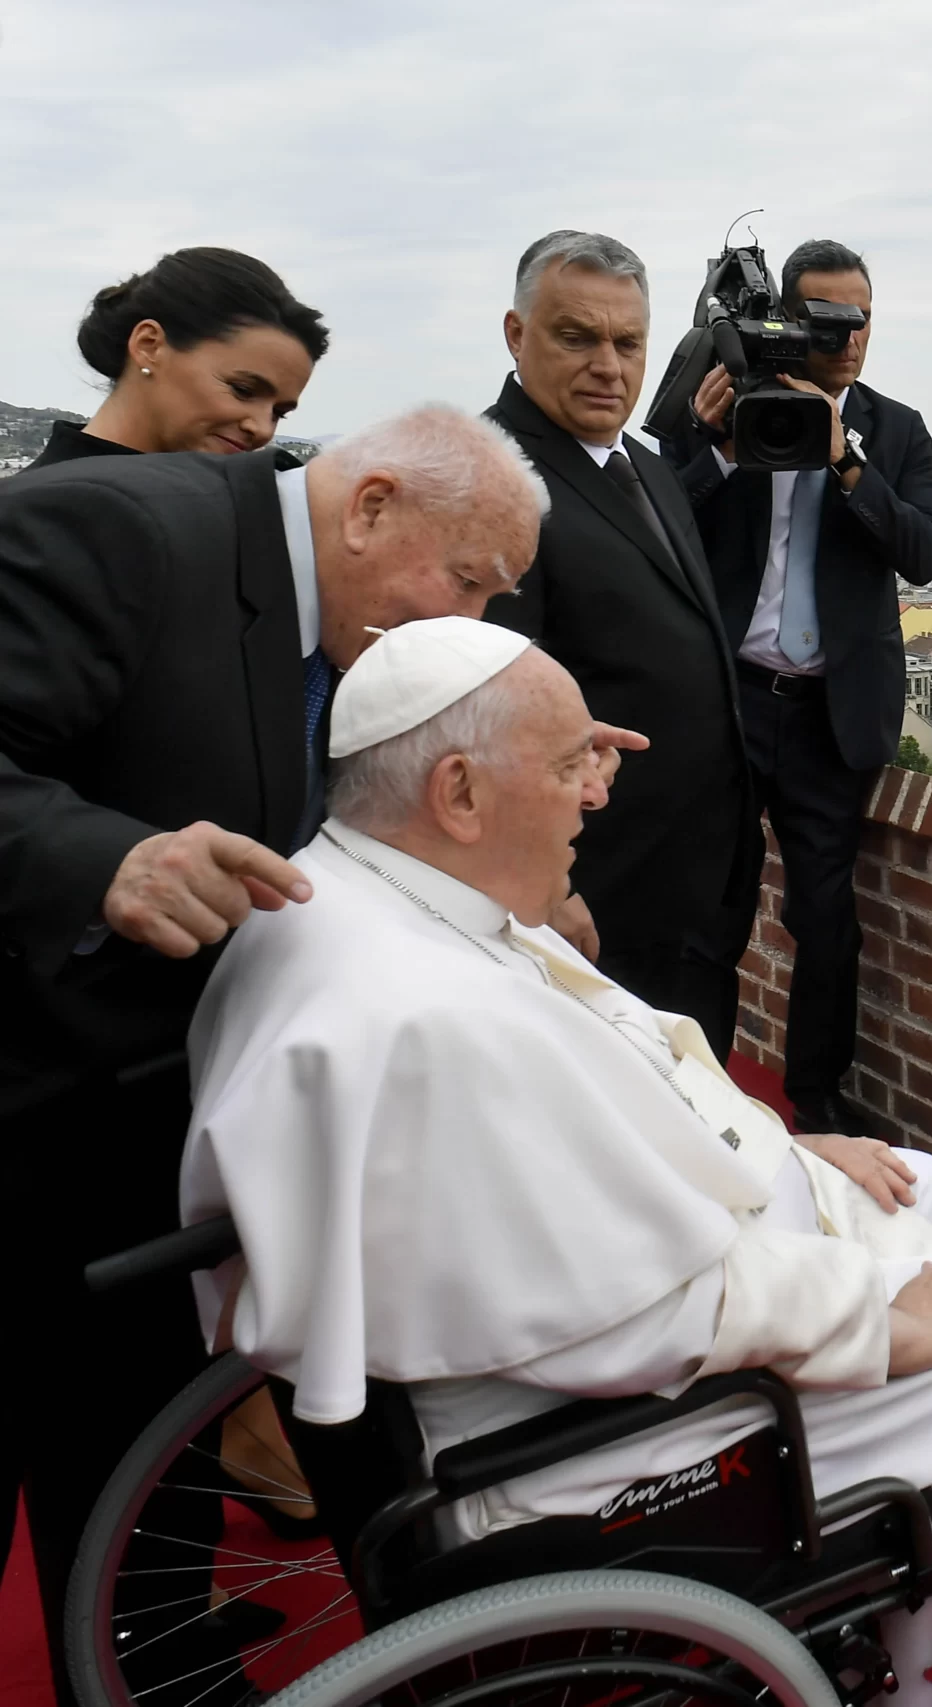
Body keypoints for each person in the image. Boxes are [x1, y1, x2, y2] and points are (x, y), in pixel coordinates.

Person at [180, 618, 932, 1707]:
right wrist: (886, 1325)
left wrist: (786, 1154)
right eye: (570, 766)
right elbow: (641, 1308)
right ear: (458, 795)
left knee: (927, 1188)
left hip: (543, 1355)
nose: (596, 796)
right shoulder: (431, 1015)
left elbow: (575, 1158)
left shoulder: (346, 896)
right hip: (577, 1441)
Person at [0, 407, 557, 1682]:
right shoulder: (114, 531)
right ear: (368, 508)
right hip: (30, 1100)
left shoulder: (342, 618)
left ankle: (161, 1644)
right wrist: (106, 860)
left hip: (162, 1103)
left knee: (143, 1405)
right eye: (465, 581)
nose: (469, 623)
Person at [669, 240, 932, 1135]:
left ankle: (818, 1100)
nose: (848, 336)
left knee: (828, 922)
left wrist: (847, 460)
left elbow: (925, 552)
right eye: (826, 316)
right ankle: (698, 1086)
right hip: (733, 699)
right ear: (787, 320)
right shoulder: (721, 403)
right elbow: (660, 521)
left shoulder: (895, 429)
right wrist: (714, 443)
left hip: (832, 714)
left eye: (860, 316)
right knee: (713, 906)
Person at [484, 230, 760, 1049]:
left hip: (693, 887)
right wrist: (547, 880)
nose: (609, 365)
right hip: (593, 892)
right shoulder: (494, 479)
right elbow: (488, 701)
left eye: (628, 342)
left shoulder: (644, 467)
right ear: (516, 334)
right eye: (577, 337)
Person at [31, 247, 329, 470]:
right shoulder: (30, 520)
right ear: (149, 346)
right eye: (243, 390)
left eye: (278, 412)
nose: (262, 429)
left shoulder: (226, 508)